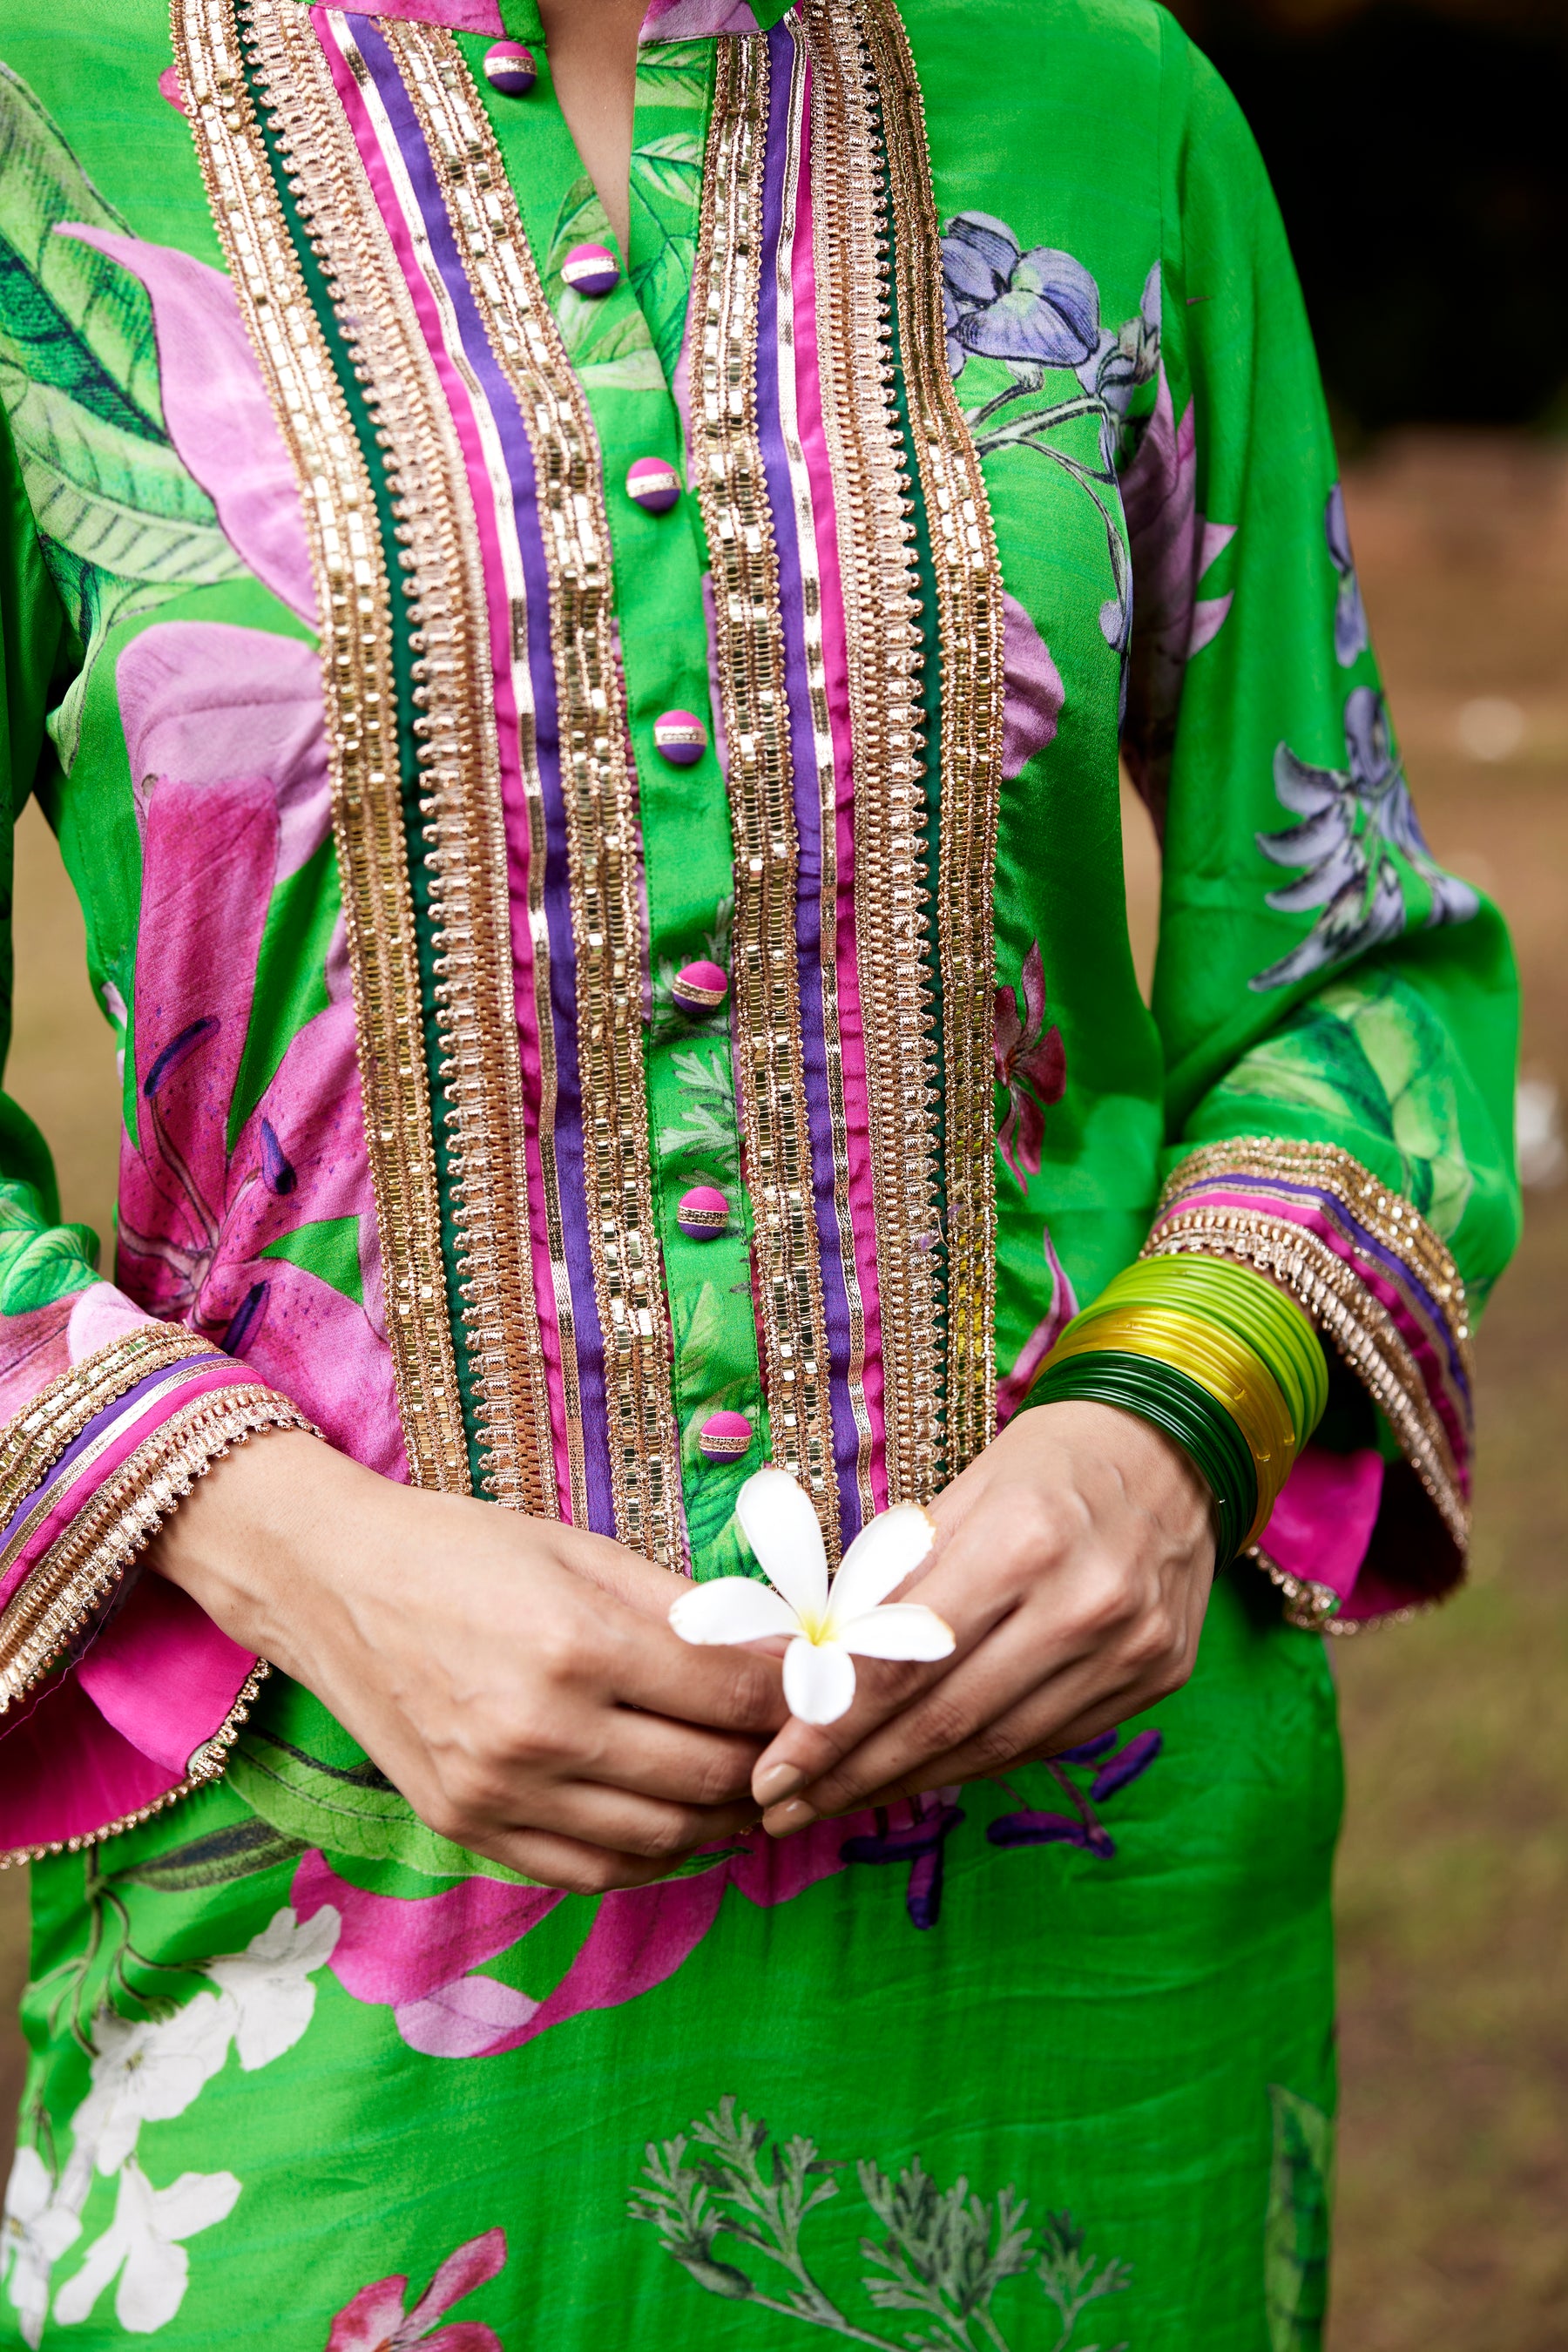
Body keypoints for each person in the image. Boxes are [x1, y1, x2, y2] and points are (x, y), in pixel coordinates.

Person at [0, 0, 1517, 2343]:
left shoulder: (1111, 104)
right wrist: (282, 1541)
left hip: (1094, 1977)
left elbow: (1354, 971)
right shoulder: (43, 118)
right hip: (327, 1998)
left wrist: (1167, 1429)